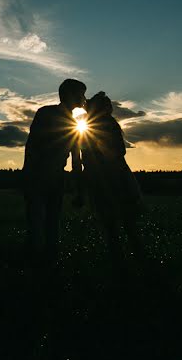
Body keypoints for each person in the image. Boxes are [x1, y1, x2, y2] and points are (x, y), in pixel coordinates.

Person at [22, 78, 87, 262]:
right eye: (81, 94)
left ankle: (47, 262)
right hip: (38, 175)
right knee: (38, 222)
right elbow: (33, 146)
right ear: (70, 95)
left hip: (55, 177)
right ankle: (36, 263)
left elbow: (76, 159)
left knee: (51, 222)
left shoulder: (72, 123)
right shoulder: (45, 114)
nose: (84, 99)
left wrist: (78, 188)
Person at [80, 91, 147, 264]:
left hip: (105, 177)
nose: (111, 107)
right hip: (114, 176)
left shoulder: (91, 126)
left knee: (113, 224)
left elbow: (89, 156)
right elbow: (118, 151)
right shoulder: (107, 124)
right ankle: (136, 260)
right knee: (126, 222)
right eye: (108, 104)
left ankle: (122, 261)